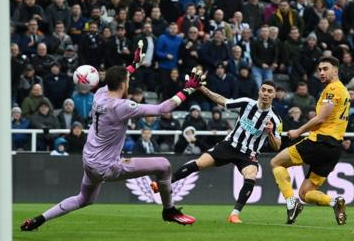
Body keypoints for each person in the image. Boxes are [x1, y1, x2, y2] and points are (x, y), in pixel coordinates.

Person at [20, 46, 203, 231]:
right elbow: (162, 109)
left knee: (83, 199)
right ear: (123, 84)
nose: (129, 83)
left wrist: (133, 65)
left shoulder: (100, 94)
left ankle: (39, 220)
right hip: (107, 166)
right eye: (128, 81)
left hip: (89, 160)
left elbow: (117, 78)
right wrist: (187, 90)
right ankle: (169, 210)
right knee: (164, 165)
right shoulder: (122, 106)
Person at [158, 80, 282, 224]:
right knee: (200, 163)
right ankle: (164, 183)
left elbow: (277, 146)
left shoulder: (275, 119)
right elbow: (220, 100)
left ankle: (234, 215)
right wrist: (201, 87)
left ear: (274, 95)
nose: (266, 93)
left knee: (251, 176)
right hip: (229, 145)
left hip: (248, 154)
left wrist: (271, 133)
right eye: (264, 90)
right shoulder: (246, 103)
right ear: (259, 91)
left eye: (270, 91)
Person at [270, 56, 349, 225]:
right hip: (334, 149)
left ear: (335, 70)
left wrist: (298, 131)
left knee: (276, 162)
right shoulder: (342, 90)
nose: (321, 72)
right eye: (319, 69)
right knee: (305, 193)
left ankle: (291, 203)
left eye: (325, 69)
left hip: (319, 142)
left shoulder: (332, 89)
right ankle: (334, 202)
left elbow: (321, 119)